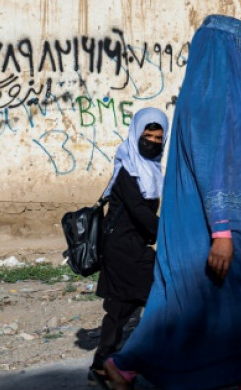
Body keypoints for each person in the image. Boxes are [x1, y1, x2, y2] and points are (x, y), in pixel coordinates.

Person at [102, 14, 241, 390]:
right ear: (221, 56)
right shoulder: (213, 102)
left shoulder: (198, 99)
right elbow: (213, 165)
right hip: (209, 226)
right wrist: (222, 232)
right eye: (238, 49)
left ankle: (125, 367)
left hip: (193, 225)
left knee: (186, 304)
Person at [88, 107, 169, 389]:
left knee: (121, 308)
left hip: (131, 246)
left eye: (158, 138)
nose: (153, 142)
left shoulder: (151, 169)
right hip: (123, 249)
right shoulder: (129, 170)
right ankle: (134, 366)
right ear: (136, 134)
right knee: (160, 300)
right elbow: (139, 211)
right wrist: (169, 235)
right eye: (147, 136)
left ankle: (101, 366)